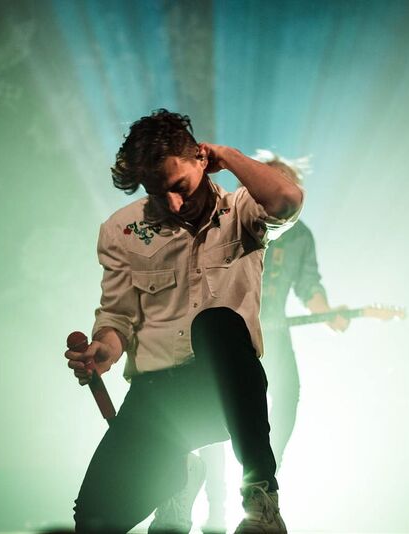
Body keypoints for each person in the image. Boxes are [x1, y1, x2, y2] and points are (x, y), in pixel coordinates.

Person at [64, 110, 303, 533]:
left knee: (216, 322)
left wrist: (228, 156)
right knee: (93, 520)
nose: (173, 203)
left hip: (225, 391)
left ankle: (261, 498)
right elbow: (118, 316)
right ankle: (178, 473)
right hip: (156, 398)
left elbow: (286, 200)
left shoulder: (241, 211)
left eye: (179, 186)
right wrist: (105, 348)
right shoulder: (121, 230)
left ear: (201, 159)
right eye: (158, 193)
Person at [197, 151, 350, 533]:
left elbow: (309, 283)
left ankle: (261, 488)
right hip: (229, 331)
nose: (277, 189)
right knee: (215, 410)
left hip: (275, 337)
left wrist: (326, 312)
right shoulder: (226, 219)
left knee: (285, 402)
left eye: (285, 184)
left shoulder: (299, 234)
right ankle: (213, 502)